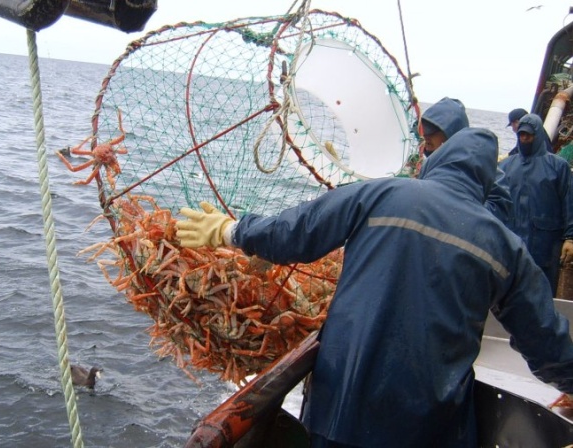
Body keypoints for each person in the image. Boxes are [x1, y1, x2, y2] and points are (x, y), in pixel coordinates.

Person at [176, 128, 573, 447]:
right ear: (487, 184)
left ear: (436, 161)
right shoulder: (506, 246)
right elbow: (545, 340)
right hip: (429, 426)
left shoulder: (382, 193)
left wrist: (230, 230)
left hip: (340, 410)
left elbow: (293, 233)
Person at [499, 113, 573, 292]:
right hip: (512, 241)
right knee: (509, 290)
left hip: (546, 245)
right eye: (521, 135)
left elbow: (569, 203)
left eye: (529, 135)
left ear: (538, 135)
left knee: (543, 290)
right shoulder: (505, 167)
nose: (524, 139)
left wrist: (570, 238)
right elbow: (496, 204)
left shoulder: (558, 166)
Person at [420, 97, 512, 222]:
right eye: (423, 131)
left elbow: (500, 212)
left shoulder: (487, 172)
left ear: (451, 133)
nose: (426, 136)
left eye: (432, 132)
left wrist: (450, 202)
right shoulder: (426, 165)